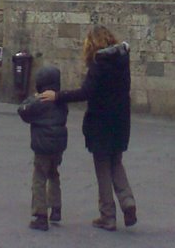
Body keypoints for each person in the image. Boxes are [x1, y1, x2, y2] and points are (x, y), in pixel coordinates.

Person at [40, 24, 137, 232]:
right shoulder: (122, 61)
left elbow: (86, 92)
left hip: (101, 123)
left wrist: (58, 96)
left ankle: (108, 216)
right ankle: (127, 201)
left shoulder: (99, 64)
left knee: (103, 167)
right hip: (120, 122)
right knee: (116, 163)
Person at [18, 64, 68, 231]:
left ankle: (40, 215)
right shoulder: (61, 101)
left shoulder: (39, 102)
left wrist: (34, 97)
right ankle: (56, 208)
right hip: (58, 145)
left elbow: (23, 110)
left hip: (42, 145)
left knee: (39, 177)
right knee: (54, 174)